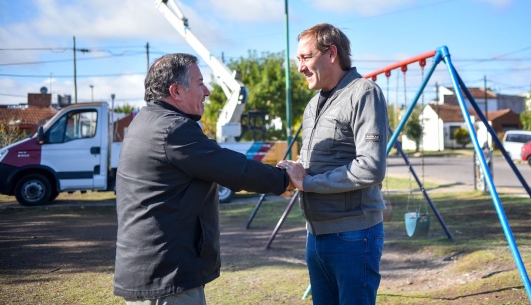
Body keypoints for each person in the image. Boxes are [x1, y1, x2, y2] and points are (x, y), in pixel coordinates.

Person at [114, 53, 293, 304]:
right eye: (199, 83)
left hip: (153, 271)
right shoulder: (172, 130)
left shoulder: (145, 122)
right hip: (168, 278)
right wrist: (284, 179)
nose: (207, 91)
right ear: (176, 91)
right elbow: (231, 168)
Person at [278, 23, 389, 305]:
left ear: (331, 54)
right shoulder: (313, 104)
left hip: (353, 236)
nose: (300, 67)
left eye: (306, 57)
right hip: (315, 235)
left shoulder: (363, 93)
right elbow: (313, 162)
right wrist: (292, 172)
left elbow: (371, 167)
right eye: (298, 59)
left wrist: (308, 182)